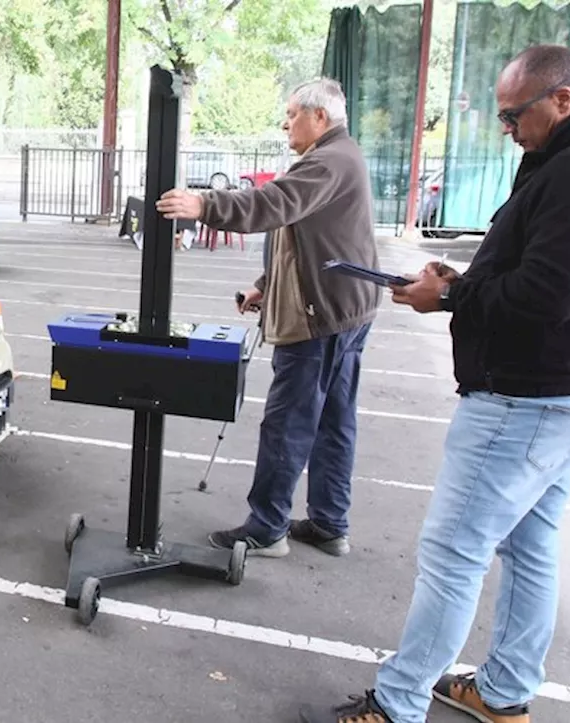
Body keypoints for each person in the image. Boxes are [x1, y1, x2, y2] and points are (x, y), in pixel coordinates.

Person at [300, 44, 570, 723]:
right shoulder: (564, 161)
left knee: (454, 551)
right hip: (560, 394)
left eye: (513, 115)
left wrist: (452, 298)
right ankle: (502, 688)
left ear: (563, 99)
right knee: (528, 544)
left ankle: (398, 704)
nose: (508, 129)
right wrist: (463, 282)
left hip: (523, 395)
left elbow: (549, 294)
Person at [156, 78, 379, 558]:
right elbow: (301, 232)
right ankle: (328, 522)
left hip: (323, 317)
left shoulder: (328, 160)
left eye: (293, 113)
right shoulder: (338, 156)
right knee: (334, 420)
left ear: (320, 117)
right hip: (346, 309)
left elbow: (274, 204)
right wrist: (266, 282)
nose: (285, 122)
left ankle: (267, 527)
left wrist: (203, 204)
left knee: (289, 422)